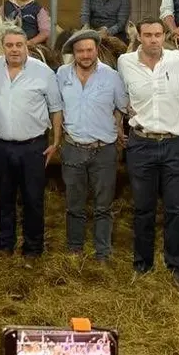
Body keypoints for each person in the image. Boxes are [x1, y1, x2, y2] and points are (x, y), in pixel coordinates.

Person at [117, 17, 179, 290]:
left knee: (176, 208)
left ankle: (176, 266)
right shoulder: (125, 63)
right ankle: (143, 264)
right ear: (139, 36)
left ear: (164, 36)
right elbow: (122, 97)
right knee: (143, 208)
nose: (153, 40)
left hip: (175, 143)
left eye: (158, 35)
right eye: (147, 35)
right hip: (142, 143)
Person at [0, 26, 63, 262]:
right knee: (4, 198)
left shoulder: (43, 72)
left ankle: (33, 248)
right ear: (3, 47)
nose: (14, 50)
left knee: (33, 199)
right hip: (0, 145)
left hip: (33, 146)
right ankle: (5, 245)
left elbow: (56, 108)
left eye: (19, 45)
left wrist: (56, 141)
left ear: (26, 46)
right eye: (9, 45)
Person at [55, 30, 128, 262]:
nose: (85, 55)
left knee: (103, 205)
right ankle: (75, 248)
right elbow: (55, 108)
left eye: (89, 50)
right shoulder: (61, 74)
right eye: (80, 51)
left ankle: (102, 251)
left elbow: (122, 107)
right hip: (73, 147)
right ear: (73, 53)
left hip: (103, 149)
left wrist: (118, 130)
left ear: (97, 50)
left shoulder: (111, 76)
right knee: (74, 203)